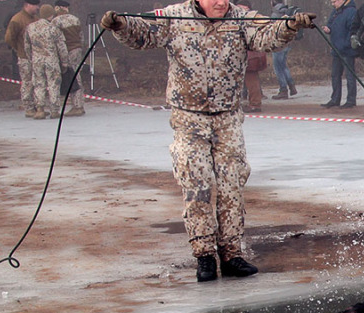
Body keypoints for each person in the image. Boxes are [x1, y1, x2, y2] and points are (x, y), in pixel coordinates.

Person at [99, 0, 316, 282]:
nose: (220, 2)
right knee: (196, 182)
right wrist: (120, 25)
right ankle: (204, 255)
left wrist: (290, 26)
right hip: (189, 118)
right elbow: (143, 34)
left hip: (227, 117)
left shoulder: (240, 18)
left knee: (232, 183)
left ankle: (231, 254)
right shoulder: (173, 16)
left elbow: (267, 35)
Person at [24, 4, 69, 120]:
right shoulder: (53, 29)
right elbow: (61, 47)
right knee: (53, 84)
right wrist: (64, 62)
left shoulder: (30, 27)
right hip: (51, 60)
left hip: (37, 61)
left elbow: (27, 46)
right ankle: (54, 110)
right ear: (50, 15)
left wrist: (31, 58)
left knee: (39, 84)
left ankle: (40, 109)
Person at [4, 0, 41, 118]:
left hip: (36, 56)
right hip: (24, 57)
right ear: (27, 5)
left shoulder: (35, 18)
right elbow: (9, 38)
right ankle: (29, 107)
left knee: (37, 81)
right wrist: (18, 49)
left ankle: (37, 105)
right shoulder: (17, 19)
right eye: (35, 5)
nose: (37, 7)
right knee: (27, 82)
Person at [321, 0, 359, 109]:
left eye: (334, 1)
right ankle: (335, 99)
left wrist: (346, 45)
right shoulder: (335, 12)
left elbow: (352, 30)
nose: (333, 4)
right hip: (336, 49)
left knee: (350, 76)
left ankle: (351, 100)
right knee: (335, 75)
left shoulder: (352, 11)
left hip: (347, 50)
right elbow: (330, 24)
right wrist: (328, 29)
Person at [52, 0, 85, 117]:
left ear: (58, 8)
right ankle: (79, 104)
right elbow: (81, 36)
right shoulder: (75, 19)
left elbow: (57, 40)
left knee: (72, 77)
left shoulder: (56, 21)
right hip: (77, 49)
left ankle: (77, 106)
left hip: (67, 51)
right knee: (77, 75)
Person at [237, 1, 266, 113]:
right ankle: (253, 102)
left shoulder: (250, 19)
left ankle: (255, 104)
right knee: (251, 80)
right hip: (247, 54)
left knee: (251, 80)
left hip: (250, 55)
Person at [270, 0, 300, 100]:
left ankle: (283, 90)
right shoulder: (287, 11)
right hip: (288, 43)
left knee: (278, 68)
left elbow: (272, 30)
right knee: (283, 66)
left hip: (278, 44)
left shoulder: (275, 13)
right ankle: (292, 86)